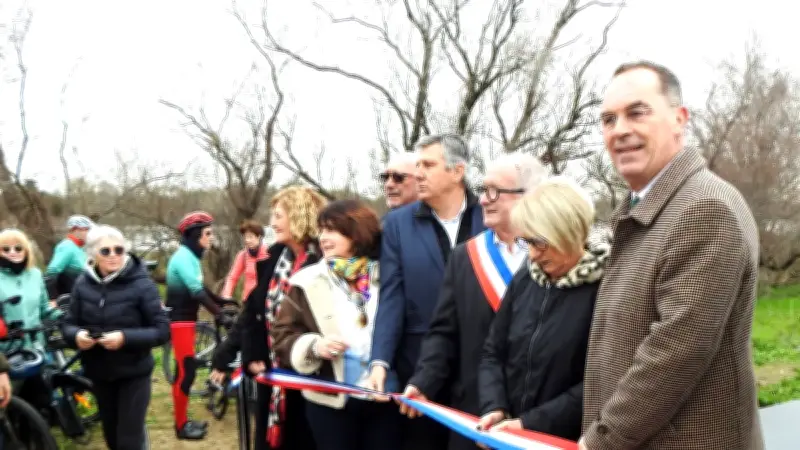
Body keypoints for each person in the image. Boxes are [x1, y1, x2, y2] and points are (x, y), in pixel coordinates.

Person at [579, 61, 764, 449]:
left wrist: (600, 441)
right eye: (609, 119)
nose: (620, 130)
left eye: (637, 112)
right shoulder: (648, 211)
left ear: (679, 119)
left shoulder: (704, 209)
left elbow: (673, 355)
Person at [399, 153, 547, 450]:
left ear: (530, 197)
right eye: (482, 189)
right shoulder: (465, 257)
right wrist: (424, 379)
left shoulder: (558, 256)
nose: (482, 200)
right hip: (473, 415)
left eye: (494, 191)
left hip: (537, 420)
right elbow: (444, 331)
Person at [368, 134, 485, 450]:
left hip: (483, 370)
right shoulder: (397, 224)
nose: (418, 173)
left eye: (428, 165)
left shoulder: (490, 216)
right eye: (417, 164)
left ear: (457, 171)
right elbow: (391, 297)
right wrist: (379, 360)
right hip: (419, 370)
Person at [476, 179, 606, 443]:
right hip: (510, 435)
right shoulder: (525, 281)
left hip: (563, 441)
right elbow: (493, 353)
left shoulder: (606, 290)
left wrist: (530, 424)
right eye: (526, 242)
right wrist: (494, 407)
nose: (532, 255)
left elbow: (600, 381)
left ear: (567, 233)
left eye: (540, 243)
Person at [271, 199, 401, 450]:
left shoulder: (390, 276)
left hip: (385, 398)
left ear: (357, 231)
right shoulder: (306, 281)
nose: (323, 238)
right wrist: (314, 346)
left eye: (332, 230)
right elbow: (281, 335)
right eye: (321, 230)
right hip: (330, 402)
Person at [62, 225, 169, 450]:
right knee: (112, 437)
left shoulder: (142, 284)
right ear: (92, 254)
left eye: (119, 250)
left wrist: (125, 338)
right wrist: (77, 336)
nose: (113, 256)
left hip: (134, 373)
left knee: (128, 441)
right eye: (106, 251)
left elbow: (162, 330)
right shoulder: (82, 284)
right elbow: (68, 325)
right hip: (99, 372)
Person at [241, 186, 327, 450]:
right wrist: (252, 353)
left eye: (278, 216)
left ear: (299, 215)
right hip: (275, 373)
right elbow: (253, 311)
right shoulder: (277, 257)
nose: (272, 223)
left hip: (312, 378)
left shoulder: (323, 260)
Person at [165, 211, 232, 440]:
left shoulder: (191, 258)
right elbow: (196, 292)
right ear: (195, 235)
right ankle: (181, 427)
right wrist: (219, 314)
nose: (210, 238)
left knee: (185, 372)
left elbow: (201, 288)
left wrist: (220, 302)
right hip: (179, 322)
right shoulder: (183, 257)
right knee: (186, 372)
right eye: (207, 233)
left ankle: (182, 421)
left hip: (186, 321)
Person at [0, 228, 62, 355]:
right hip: (7, 349)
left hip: (37, 344)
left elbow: (44, 308)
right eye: (6, 249)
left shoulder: (35, 274)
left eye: (18, 248)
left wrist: (62, 316)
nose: (13, 252)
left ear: (26, 250)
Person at [45, 215, 94, 301]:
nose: (89, 233)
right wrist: (52, 299)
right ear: (75, 229)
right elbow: (52, 272)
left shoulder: (81, 248)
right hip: (69, 299)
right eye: (87, 229)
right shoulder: (67, 246)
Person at [220, 219, 269, 302]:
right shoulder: (242, 255)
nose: (247, 240)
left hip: (265, 301)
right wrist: (226, 296)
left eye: (250, 237)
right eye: (245, 237)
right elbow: (232, 278)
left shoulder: (269, 254)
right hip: (248, 301)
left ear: (259, 237)